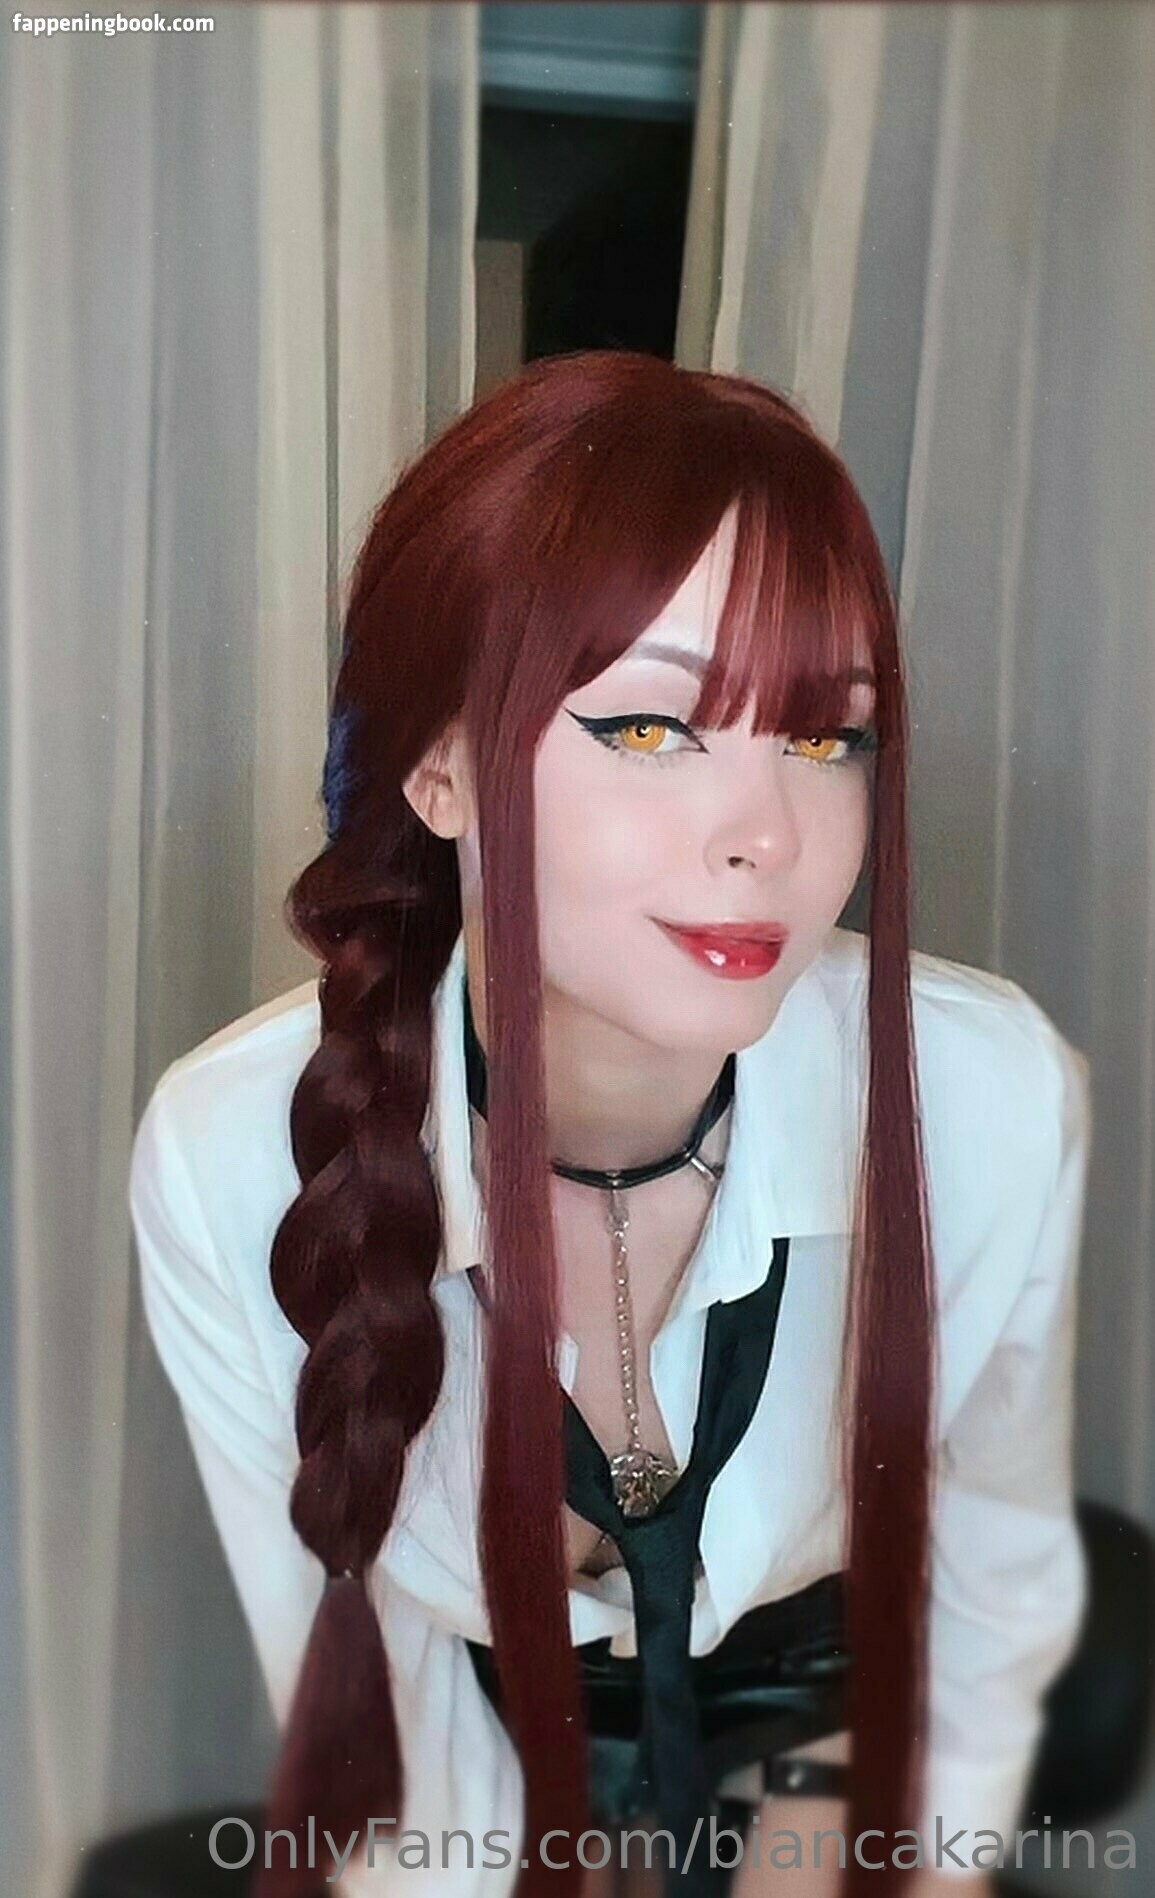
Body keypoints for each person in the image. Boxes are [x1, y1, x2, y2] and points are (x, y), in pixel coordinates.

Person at [128, 351, 1091, 1898]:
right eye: (650, 729)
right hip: (480, 1762)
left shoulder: (987, 1097)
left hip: (833, 1725)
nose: (764, 832)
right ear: (439, 763)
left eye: (822, 736)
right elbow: (386, 1737)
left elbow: (992, 1592)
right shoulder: (229, 1156)